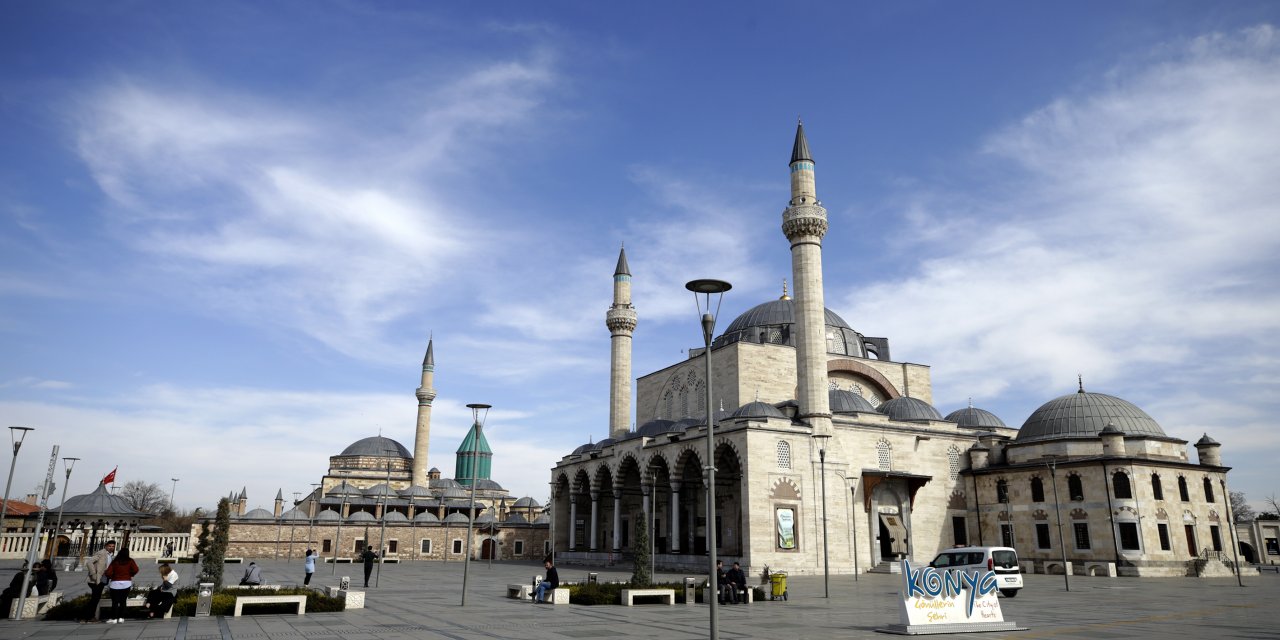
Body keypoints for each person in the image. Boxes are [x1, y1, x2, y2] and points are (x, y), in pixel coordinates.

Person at [81, 539, 116, 623]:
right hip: (95, 579)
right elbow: (89, 562)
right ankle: (88, 617)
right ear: (106, 546)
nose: (111, 548)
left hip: (103, 579)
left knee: (95, 598)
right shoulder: (101, 553)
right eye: (110, 546)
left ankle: (89, 617)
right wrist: (93, 573)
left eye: (113, 546)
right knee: (95, 599)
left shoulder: (110, 555)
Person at [103, 546, 139, 624]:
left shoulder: (115, 561)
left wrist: (112, 576)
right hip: (126, 583)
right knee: (123, 601)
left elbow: (108, 572)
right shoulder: (130, 561)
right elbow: (136, 569)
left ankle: (114, 618)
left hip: (115, 583)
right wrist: (130, 574)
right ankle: (121, 618)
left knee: (115, 602)